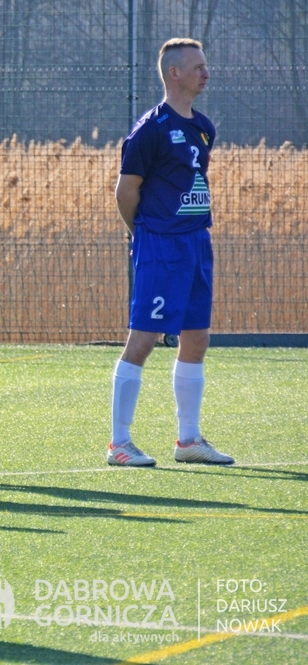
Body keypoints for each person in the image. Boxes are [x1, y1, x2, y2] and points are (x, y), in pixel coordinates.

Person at [108, 38, 233, 467]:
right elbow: (126, 191)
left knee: (197, 337)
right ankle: (119, 443)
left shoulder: (204, 127)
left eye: (206, 65)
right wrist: (143, 233)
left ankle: (188, 440)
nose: (206, 73)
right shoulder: (151, 129)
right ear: (174, 73)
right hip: (160, 245)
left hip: (196, 242)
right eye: (198, 67)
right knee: (143, 339)